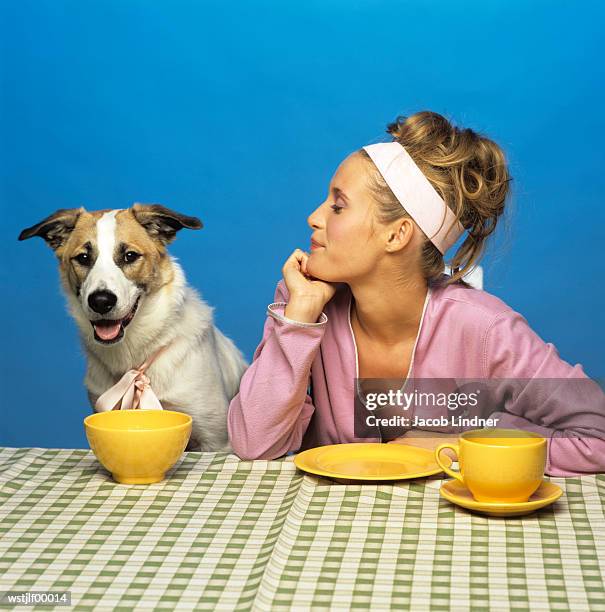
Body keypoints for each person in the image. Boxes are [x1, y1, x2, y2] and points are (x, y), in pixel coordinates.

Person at [227, 110, 605, 476]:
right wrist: (298, 321)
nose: (315, 216)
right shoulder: (305, 306)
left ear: (397, 235)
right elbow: (254, 444)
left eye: (338, 206)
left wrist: (460, 448)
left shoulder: (487, 330)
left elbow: (598, 436)